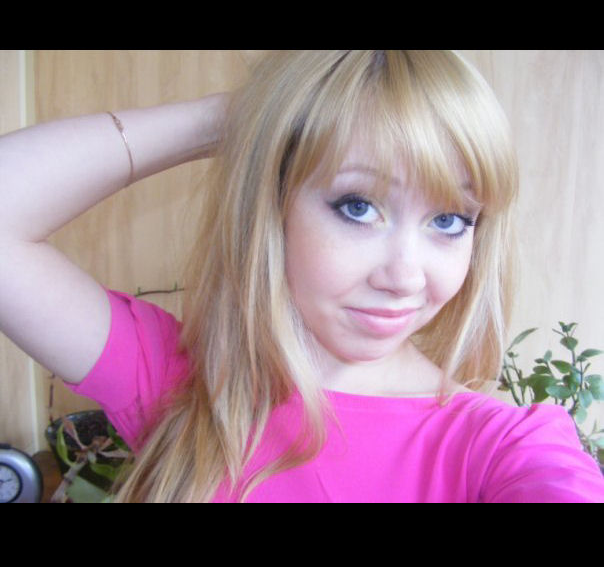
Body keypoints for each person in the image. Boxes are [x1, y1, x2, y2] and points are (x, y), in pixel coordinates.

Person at [1, 50, 603, 503]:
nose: (404, 277)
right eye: (359, 206)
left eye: (449, 220)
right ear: (274, 206)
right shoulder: (180, 381)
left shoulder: (504, 448)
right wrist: (247, 120)